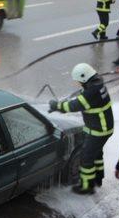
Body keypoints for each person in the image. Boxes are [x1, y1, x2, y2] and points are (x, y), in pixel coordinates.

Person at [49, 63, 114, 194]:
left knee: (86, 157)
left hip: (99, 130)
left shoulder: (91, 93)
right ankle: (98, 178)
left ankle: (87, 186)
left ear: (84, 78)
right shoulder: (97, 84)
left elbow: (74, 105)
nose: (77, 83)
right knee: (97, 154)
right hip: (101, 127)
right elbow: (82, 99)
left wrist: (57, 106)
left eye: (78, 81)